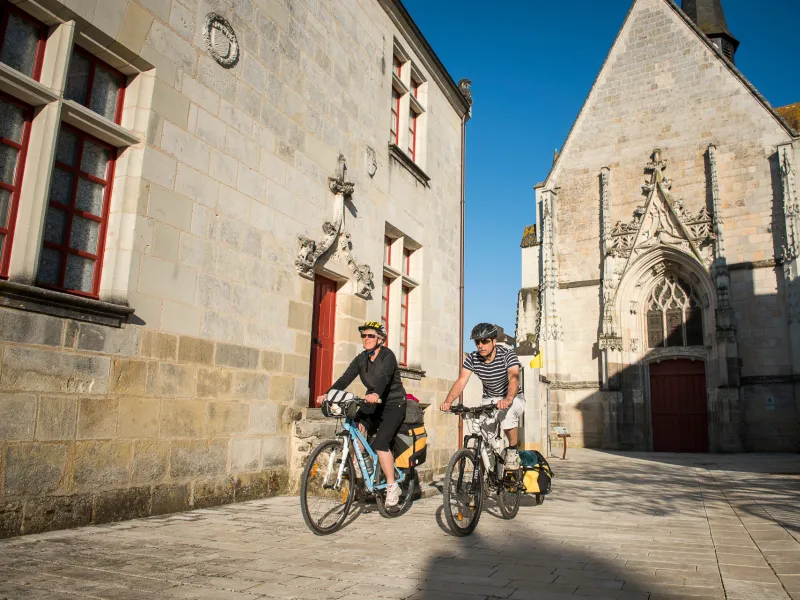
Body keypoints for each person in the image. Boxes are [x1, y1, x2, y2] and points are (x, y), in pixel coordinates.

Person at [316, 321, 408, 507]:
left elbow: (383, 377)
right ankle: (362, 464)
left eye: (371, 336)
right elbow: (345, 378)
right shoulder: (361, 359)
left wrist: (375, 393)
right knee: (355, 426)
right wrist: (329, 394)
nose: (366, 339)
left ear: (380, 339)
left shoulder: (387, 356)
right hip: (372, 402)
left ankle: (392, 485)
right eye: (364, 335)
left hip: (393, 403)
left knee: (381, 443)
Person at [440, 322, 524, 470]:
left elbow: (514, 378)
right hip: (489, 398)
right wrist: (448, 401)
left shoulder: (507, 354)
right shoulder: (473, 358)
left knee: (508, 415)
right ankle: (488, 476)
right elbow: (461, 381)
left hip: (512, 396)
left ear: (494, 341)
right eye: (477, 342)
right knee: (483, 434)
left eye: (485, 341)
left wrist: (508, 399)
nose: (480, 345)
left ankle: (512, 450)